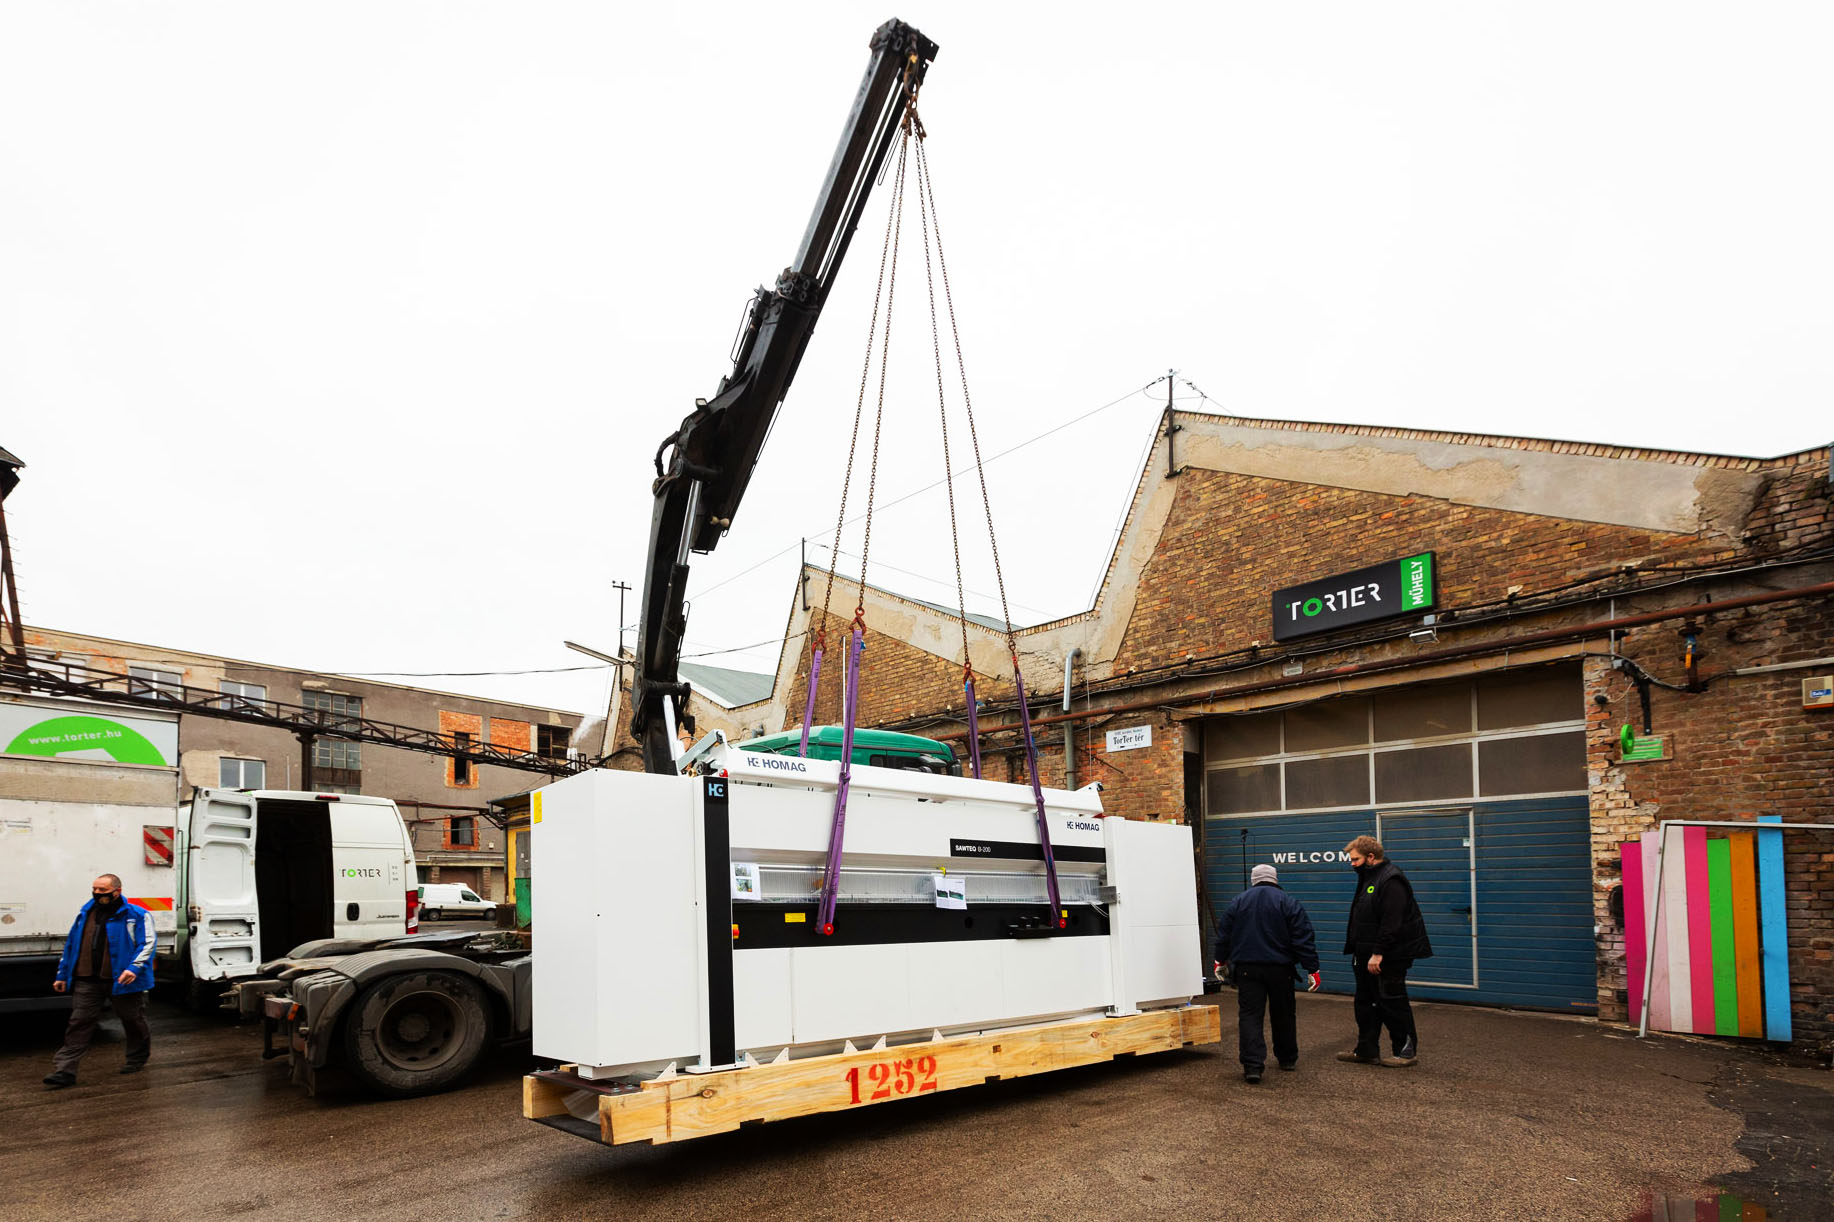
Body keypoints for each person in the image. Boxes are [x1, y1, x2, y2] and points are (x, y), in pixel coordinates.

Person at [43, 874, 157, 1089]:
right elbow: (71, 946)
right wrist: (62, 974)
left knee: (132, 1019)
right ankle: (64, 1071)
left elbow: (148, 944)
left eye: (103, 891)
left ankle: (137, 1057)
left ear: (117, 891)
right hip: (87, 979)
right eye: (94, 889)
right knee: (79, 1022)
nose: (97, 894)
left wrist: (133, 968)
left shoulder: (136, 915)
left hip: (122, 980)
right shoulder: (84, 914)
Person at [1213, 863, 1321, 1083]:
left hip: (1247, 969)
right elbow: (1303, 937)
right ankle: (1287, 1058)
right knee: (1284, 1013)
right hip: (1281, 969)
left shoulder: (1238, 902)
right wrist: (1312, 968)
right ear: (1275, 879)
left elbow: (1224, 935)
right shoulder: (1288, 902)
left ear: (1254, 879)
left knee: (1250, 1015)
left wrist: (1220, 961)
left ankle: (1253, 1066)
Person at [1336, 836, 1432, 1068]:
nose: (1352, 864)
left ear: (1371, 857)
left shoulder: (1391, 880)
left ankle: (1405, 1052)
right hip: (1364, 954)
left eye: (1356, 859)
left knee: (1392, 1003)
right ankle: (1366, 1050)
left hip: (1388, 957)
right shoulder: (1369, 878)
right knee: (1365, 1004)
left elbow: (1392, 922)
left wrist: (1378, 953)